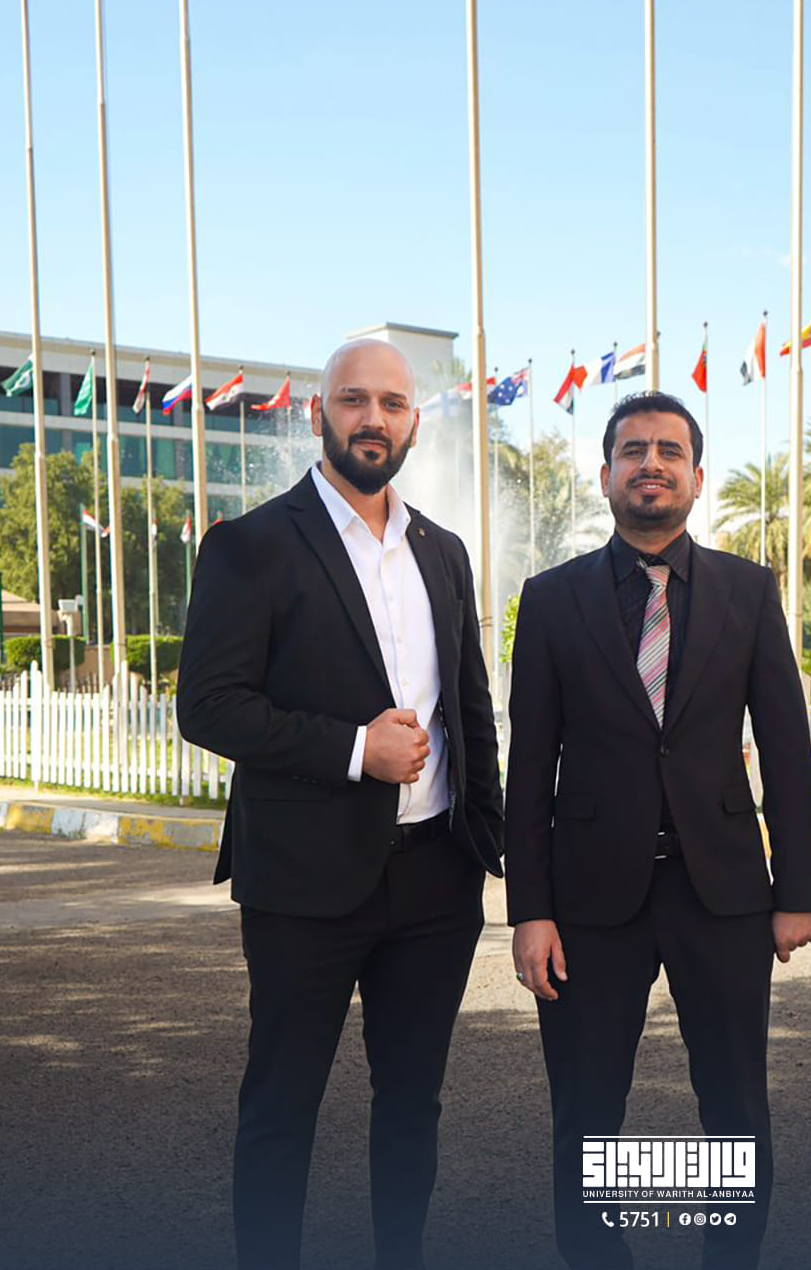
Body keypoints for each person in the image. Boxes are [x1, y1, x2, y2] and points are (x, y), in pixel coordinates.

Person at [176, 339, 504, 1270]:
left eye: (392, 404)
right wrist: (359, 750)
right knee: (282, 1106)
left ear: (414, 422)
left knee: (413, 1104)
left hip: (436, 880)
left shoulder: (443, 551)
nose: (374, 419)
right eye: (354, 400)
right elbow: (207, 706)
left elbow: (470, 705)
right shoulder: (251, 546)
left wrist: (492, 839)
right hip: (303, 882)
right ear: (319, 413)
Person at [506, 391, 811, 1270]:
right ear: (605, 474)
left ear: (697, 476)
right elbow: (529, 767)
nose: (651, 464)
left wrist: (795, 891)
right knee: (587, 1113)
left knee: (734, 1110)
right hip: (587, 903)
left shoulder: (749, 592)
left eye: (669, 451)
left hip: (722, 895)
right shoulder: (551, 600)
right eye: (633, 450)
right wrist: (530, 910)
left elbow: (785, 749)